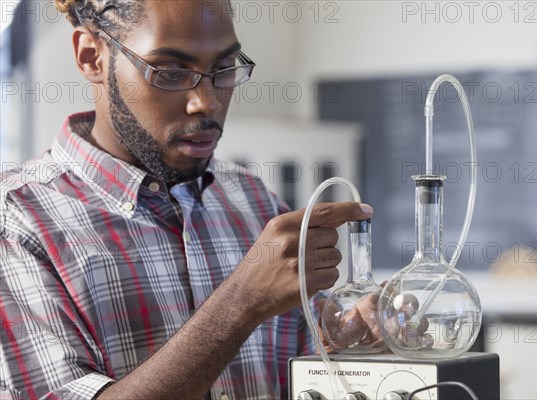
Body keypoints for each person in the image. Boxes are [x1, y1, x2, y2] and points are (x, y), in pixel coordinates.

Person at [0, 1, 374, 399]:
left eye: (224, 69)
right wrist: (239, 305)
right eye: (171, 72)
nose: (207, 103)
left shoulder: (253, 201)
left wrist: (358, 332)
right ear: (91, 56)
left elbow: (313, 362)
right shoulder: (17, 220)